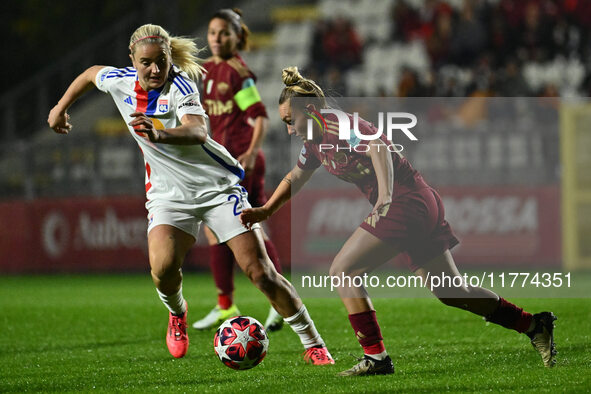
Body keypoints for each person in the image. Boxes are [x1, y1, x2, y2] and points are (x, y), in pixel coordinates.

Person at [240, 66, 557, 376]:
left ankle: (376, 358)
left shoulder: (337, 125)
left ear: (309, 110)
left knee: (342, 270)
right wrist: (266, 210)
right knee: (451, 291)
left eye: (290, 121)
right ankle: (533, 324)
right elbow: (296, 175)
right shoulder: (315, 140)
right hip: (419, 201)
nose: (289, 130)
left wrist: (385, 196)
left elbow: (379, 147)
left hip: (406, 201)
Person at [47, 25, 334, 365]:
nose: (155, 69)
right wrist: (60, 107)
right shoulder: (120, 80)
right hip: (168, 195)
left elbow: (198, 130)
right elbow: (90, 74)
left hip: (216, 187)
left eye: (162, 61)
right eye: (146, 63)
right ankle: (177, 313)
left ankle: (314, 344)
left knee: (260, 272)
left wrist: (161, 133)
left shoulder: (181, 84)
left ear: (170, 58)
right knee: (163, 268)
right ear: (132, 61)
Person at [192, 8, 283, 332]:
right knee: (215, 230)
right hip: (221, 162)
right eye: (213, 32)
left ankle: (279, 303)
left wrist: (252, 151)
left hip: (242, 162)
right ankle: (225, 306)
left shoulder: (236, 72)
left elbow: (259, 115)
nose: (217, 38)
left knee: (252, 228)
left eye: (224, 33)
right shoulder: (208, 69)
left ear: (236, 37)